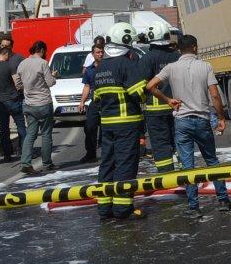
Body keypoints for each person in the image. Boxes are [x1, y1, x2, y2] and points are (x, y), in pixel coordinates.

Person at [147, 34, 231, 218]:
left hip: (182, 121)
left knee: (188, 166)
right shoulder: (205, 66)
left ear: (179, 49)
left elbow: (150, 86)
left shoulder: (171, 68)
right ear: (194, 47)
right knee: (212, 161)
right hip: (202, 120)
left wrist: (168, 100)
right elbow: (215, 95)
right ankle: (223, 200)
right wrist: (221, 117)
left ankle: (194, 207)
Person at [91, 25, 149, 221]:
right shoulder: (126, 64)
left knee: (107, 164)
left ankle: (104, 207)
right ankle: (123, 208)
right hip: (127, 124)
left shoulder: (100, 68)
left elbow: (96, 99)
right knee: (125, 164)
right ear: (126, 42)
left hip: (107, 126)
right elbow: (139, 94)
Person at [139, 20, 181, 173]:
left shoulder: (146, 59)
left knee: (160, 144)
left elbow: (142, 85)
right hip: (177, 107)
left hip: (155, 111)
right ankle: (185, 173)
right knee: (179, 141)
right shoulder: (176, 56)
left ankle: (166, 174)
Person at [15, 40, 58, 175]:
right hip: (44, 103)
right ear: (42, 50)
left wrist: (27, 88)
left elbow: (17, 83)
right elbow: (50, 83)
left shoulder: (22, 63)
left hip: (29, 104)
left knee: (30, 134)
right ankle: (47, 163)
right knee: (46, 134)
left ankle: (25, 163)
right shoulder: (43, 63)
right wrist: (54, 76)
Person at [0, 46, 26, 164]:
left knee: (4, 128)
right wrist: (22, 90)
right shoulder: (9, 66)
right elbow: (17, 82)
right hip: (13, 99)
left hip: (1, 102)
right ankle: (25, 152)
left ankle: (7, 154)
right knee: (21, 125)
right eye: (9, 56)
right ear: (6, 54)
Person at [76, 43, 106, 164]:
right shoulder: (89, 70)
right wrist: (82, 102)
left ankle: (107, 154)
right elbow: (87, 86)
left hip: (107, 102)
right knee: (89, 127)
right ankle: (90, 153)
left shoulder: (108, 67)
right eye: (98, 52)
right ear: (93, 54)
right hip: (95, 102)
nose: (100, 54)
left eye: (102, 52)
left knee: (106, 129)